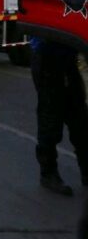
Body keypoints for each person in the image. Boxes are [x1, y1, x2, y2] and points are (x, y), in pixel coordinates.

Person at [30, 36, 88, 196]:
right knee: (50, 119)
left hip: (68, 59)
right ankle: (48, 173)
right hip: (47, 57)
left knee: (80, 119)